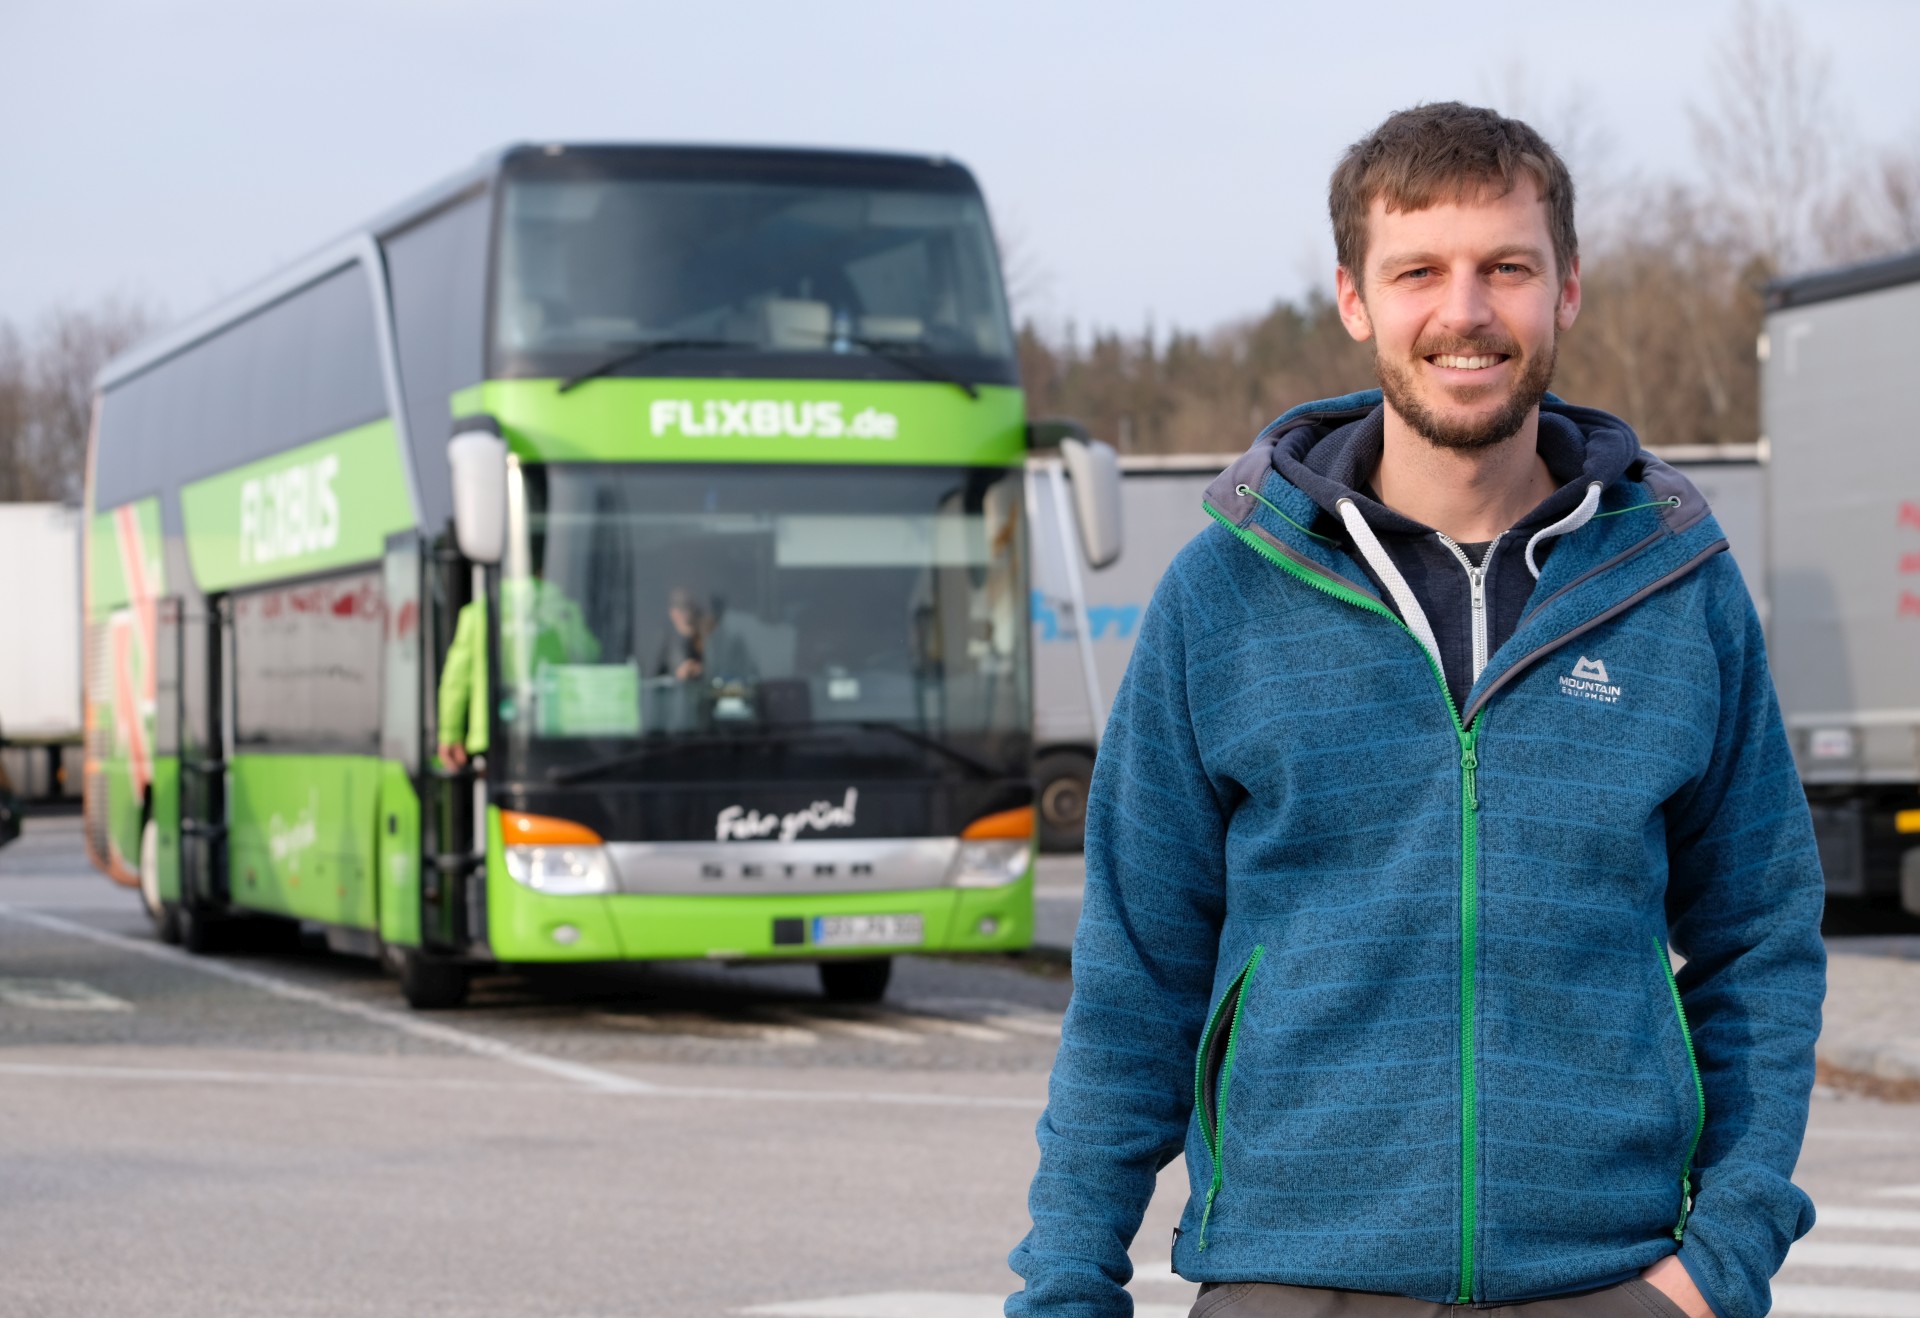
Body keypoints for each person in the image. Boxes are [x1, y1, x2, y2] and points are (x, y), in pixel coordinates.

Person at [1008, 104, 1823, 1318]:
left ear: (1567, 291)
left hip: (1605, 1283)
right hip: (1289, 1279)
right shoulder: (1225, 592)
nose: (1466, 311)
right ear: (1355, 299)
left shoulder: (1675, 586)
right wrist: (1068, 1288)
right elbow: (1136, 972)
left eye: (1507, 267)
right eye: (1419, 272)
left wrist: (1717, 1267)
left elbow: (1761, 936)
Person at [437, 572, 601, 771]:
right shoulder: (562, 609)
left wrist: (450, 733)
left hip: (494, 733)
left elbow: (456, 680)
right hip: (556, 729)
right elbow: (589, 655)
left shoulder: (479, 612)